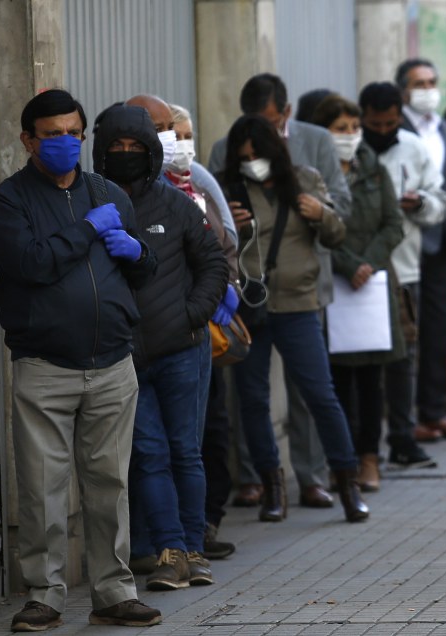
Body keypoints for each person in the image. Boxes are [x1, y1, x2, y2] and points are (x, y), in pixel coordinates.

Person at [0, 89, 161, 629]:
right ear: (28, 141)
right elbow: (31, 264)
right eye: (51, 134)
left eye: (72, 132)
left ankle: (114, 592)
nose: (64, 142)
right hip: (45, 367)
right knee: (42, 488)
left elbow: (139, 270)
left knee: (110, 484)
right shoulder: (8, 201)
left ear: (84, 135)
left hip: (111, 364)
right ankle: (44, 595)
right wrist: (88, 228)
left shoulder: (108, 192)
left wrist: (140, 252)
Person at [93, 101, 228, 590]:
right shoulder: (93, 203)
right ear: (101, 152)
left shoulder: (174, 203)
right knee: (149, 455)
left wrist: (193, 314)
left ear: (150, 150)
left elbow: (214, 262)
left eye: (136, 147)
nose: (127, 155)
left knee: (185, 452)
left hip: (181, 351)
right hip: (125, 357)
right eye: (116, 148)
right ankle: (171, 552)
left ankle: (193, 549)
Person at [209, 73, 349, 512]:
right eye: (245, 154)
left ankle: (335, 481)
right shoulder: (226, 177)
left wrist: (321, 214)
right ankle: (269, 484)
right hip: (249, 303)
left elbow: (339, 225)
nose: (253, 159)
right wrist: (227, 224)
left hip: (299, 298)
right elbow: (203, 233)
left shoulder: (307, 168)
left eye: (261, 148)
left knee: (317, 393)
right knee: (251, 398)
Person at [311, 94, 412, 489]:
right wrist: (349, 264)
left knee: (372, 380)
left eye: (354, 128)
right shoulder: (312, 172)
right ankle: (343, 461)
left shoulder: (373, 168)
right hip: (332, 283)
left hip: (371, 287)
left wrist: (367, 263)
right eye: (341, 129)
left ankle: (370, 458)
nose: (350, 136)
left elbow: (394, 223)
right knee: (337, 381)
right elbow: (316, 229)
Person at [358, 81, 446, 463]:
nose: (383, 132)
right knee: (363, 362)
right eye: (375, 124)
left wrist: (421, 202)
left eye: (390, 124)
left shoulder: (414, 148)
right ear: (363, 118)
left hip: (405, 268)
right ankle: (365, 446)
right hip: (360, 271)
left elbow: (440, 200)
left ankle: (402, 435)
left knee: (403, 359)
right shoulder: (350, 148)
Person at [165, 103, 240, 560]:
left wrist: (214, 293)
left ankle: (206, 522)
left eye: (189, 133)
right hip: (163, 330)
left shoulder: (200, 181)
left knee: (211, 426)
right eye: (175, 134)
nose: (184, 144)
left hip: (203, 326)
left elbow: (225, 242)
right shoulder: (147, 190)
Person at [396, 58, 446, 442]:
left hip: (440, 238)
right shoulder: (393, 125)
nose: (428, 89)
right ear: (404, 90)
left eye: (432, 81)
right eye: (420, 83)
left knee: (439, 328)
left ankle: (434, 411)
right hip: (405, 243)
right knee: (408, 331)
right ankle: (405, 418)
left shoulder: (443, 126)